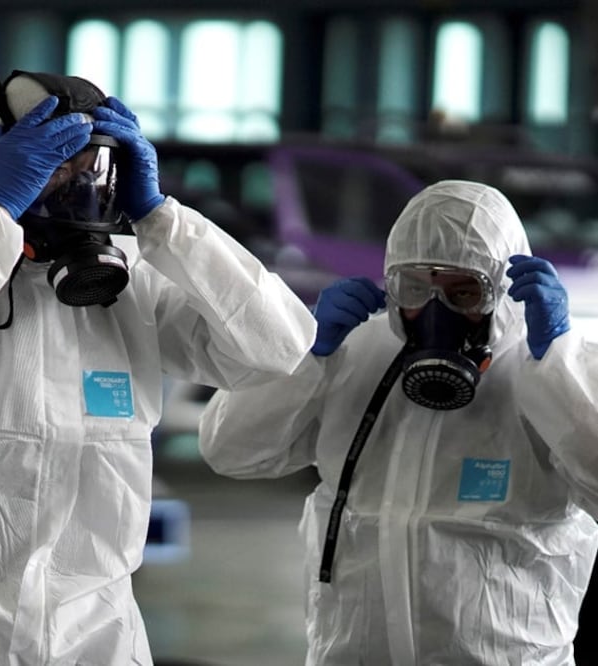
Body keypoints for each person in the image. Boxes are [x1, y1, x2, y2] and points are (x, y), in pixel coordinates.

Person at [0, 69, 315, 664]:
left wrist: (163, 219)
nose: (78, 186)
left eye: (95, 167)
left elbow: (280, 347)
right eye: (56, 162)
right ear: (3, 158)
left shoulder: (133, 280)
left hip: (96, 636)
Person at [198, 179, 598, 665]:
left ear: (503, 290)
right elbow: (228, 450)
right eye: (415, 287)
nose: (435, 311)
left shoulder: (551, 373)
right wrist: (305, 355)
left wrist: (558, 363)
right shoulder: (352, 354)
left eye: (464, 291)